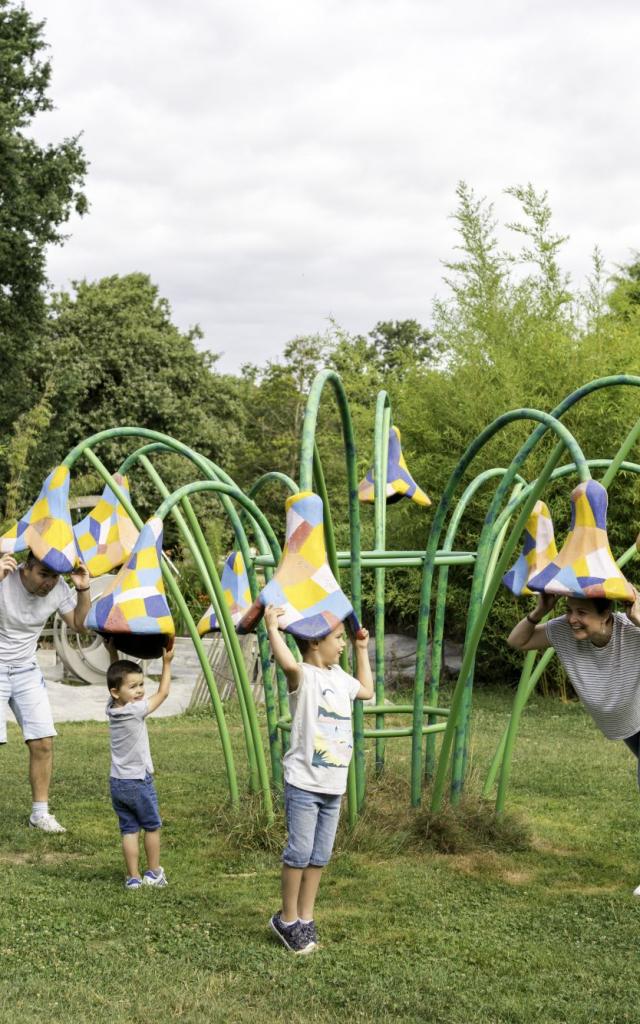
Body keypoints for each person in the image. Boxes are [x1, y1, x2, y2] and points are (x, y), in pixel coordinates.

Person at [507, 588, 640, 891]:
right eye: (569, 610)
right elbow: (518, 641)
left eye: (582, 613)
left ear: (606, 615)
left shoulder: (631, 631)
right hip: (631, 723)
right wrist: (539, 611)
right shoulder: (562, 632)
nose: (572, 619)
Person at [264, 604, 374, 953]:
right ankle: (287, 918)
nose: (341, 644)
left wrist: (360, 651)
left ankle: (307, 919)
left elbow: (367, 691)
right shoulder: (304, 677)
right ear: (314, 643)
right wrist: (272, 629)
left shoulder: (340, 678)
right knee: (298, 852)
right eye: (338, 638)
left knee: (320, 855)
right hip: (304, 783)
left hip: (333, 785)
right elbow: (287, 663)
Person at [0, 550, 91, 833]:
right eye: (43, 575)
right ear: (26, 568)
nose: (49, 583)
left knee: (43, 742)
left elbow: (79, 624)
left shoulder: (59, 588)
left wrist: (83, 588)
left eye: (54, 576)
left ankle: (40, 814)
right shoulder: (5, 579)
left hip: (26, 669)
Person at [105, 639, 174, 890]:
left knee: (129, 830)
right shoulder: (135, 710)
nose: (140, 691)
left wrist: (112, 651)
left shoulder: (112, 708)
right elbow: (164, 693)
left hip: (118, 782)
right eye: (133, 687)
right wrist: (166, 664)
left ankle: (133, 878)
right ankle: (154, 873)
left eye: (142, 685)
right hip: (138, 781)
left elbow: (116, 679)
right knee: (152, 827)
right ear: (118, 692)